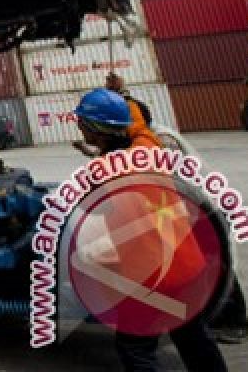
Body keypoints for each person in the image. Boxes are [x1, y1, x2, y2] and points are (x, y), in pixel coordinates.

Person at [73, 88, 227, 372]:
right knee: (193, 336)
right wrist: (120, 97)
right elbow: (137, 124)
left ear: (94, 131)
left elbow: (94, 218)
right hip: (187, 267)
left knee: (136, 350)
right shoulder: (149, 147)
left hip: (149, 278)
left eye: (82, 124)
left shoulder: (105, 175)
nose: (79, 129)